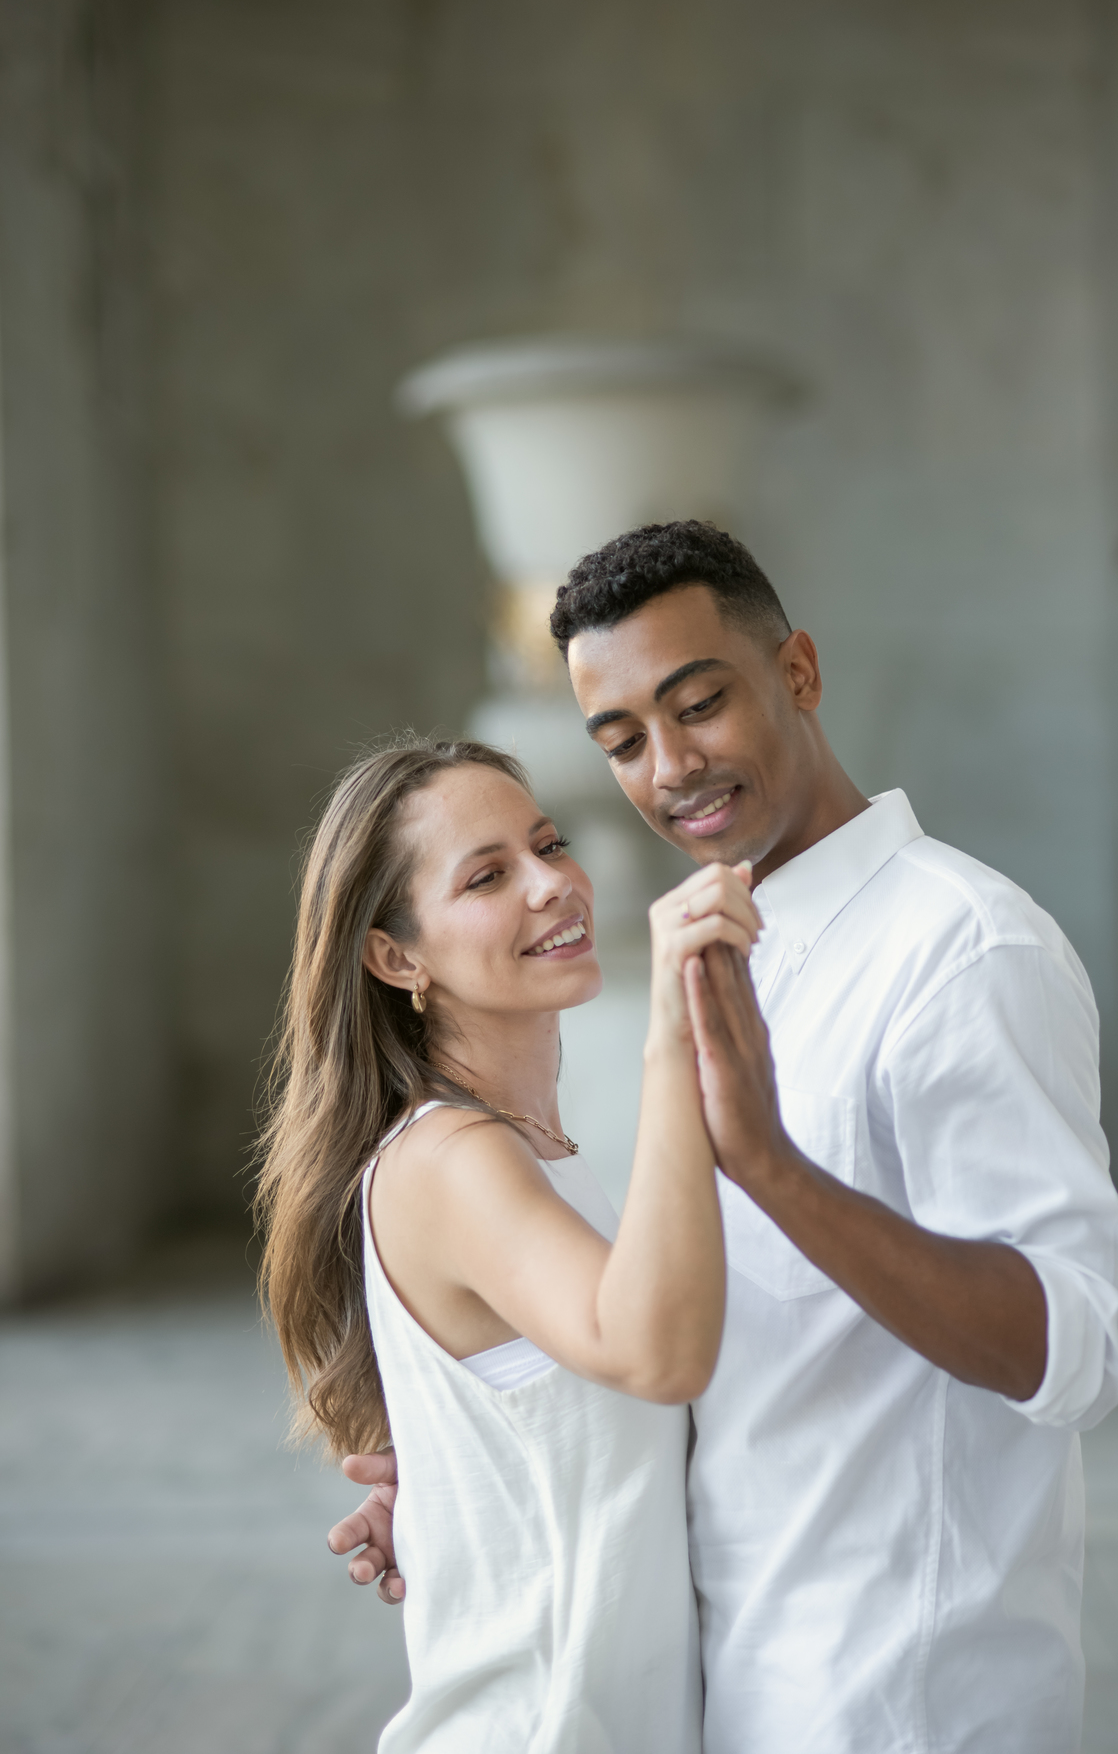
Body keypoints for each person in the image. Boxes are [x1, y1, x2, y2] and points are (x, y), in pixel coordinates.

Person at [331, 523, 1118, 1754]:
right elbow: (676, 1332)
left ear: (799, 674)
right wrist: (483, 1484)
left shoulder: (964, 949)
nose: (670, 767)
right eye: (622, 742)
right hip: (735, 1679)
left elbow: (1077, 1345)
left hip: (898, 1692)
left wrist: (773, 1167)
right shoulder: (715, 951)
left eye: (698, 703)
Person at [257, 733, 759, 1753]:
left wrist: (452, 1486)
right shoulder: (451, 1159)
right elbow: (655, 1351)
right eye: (488, 875)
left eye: (549, 843)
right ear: (398, 957)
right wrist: (675, 1023)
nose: (553, 885)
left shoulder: (526, 1155)